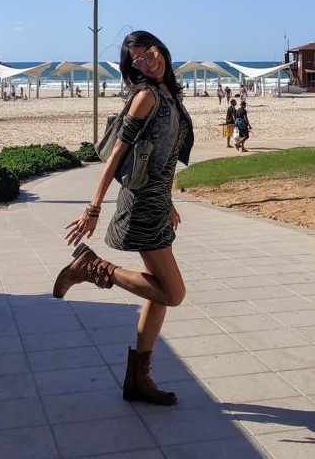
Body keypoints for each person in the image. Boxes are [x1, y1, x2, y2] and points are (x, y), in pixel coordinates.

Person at [53, 30, 194, 406]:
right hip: (142, 205)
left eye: (151, 52)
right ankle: (95, 267)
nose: (150, 61)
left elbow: (163, 155)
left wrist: (169, 201)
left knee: (157, 291)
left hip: (158, 203)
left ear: (160, 48)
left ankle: (138, 380)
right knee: (174, 293)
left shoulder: (169, 94)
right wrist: (93, 208)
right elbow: (117, 154)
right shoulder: (146, 97)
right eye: (139, 60)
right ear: (133, 68)